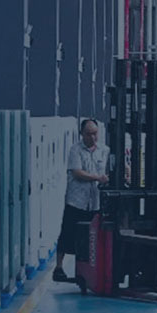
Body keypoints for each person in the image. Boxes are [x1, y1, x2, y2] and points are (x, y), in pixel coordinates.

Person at [55, 118, 108, 282]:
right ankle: (58, 267)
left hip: (94, 201)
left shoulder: (104, 150)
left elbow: (111, 166)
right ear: (81, 134)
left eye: (95, 134)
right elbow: (77, 172)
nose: (92, 137)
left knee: (91, 237)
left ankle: (90, 269)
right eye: (88, 134)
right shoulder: (75, 150)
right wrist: (98, 177)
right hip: (76, 201)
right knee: (67, 233)